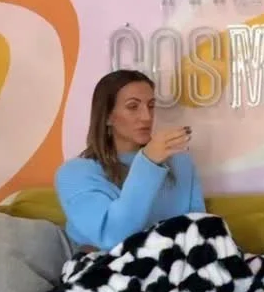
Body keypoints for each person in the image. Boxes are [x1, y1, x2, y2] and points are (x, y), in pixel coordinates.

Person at [55, 69, 206, 252]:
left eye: (151, 106)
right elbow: (113, 236)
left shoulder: (181, 163)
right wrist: (148, 163)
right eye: (133, 107)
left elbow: (198, 229)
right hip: (109, 266)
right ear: (108, 116)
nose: (147, 117)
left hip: (177, 263)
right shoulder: (75, 173)